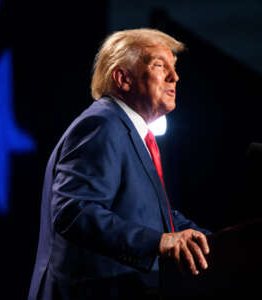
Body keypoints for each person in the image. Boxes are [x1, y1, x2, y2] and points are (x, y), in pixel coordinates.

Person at [28, 28, 211, 300]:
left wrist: (216, 242)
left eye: (174, 66)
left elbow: (152, 215)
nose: (175, 76)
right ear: (123, 78)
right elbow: (73, 210)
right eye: (160, 65)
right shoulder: (102, 124)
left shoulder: (131, 132)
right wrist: (159, 241)